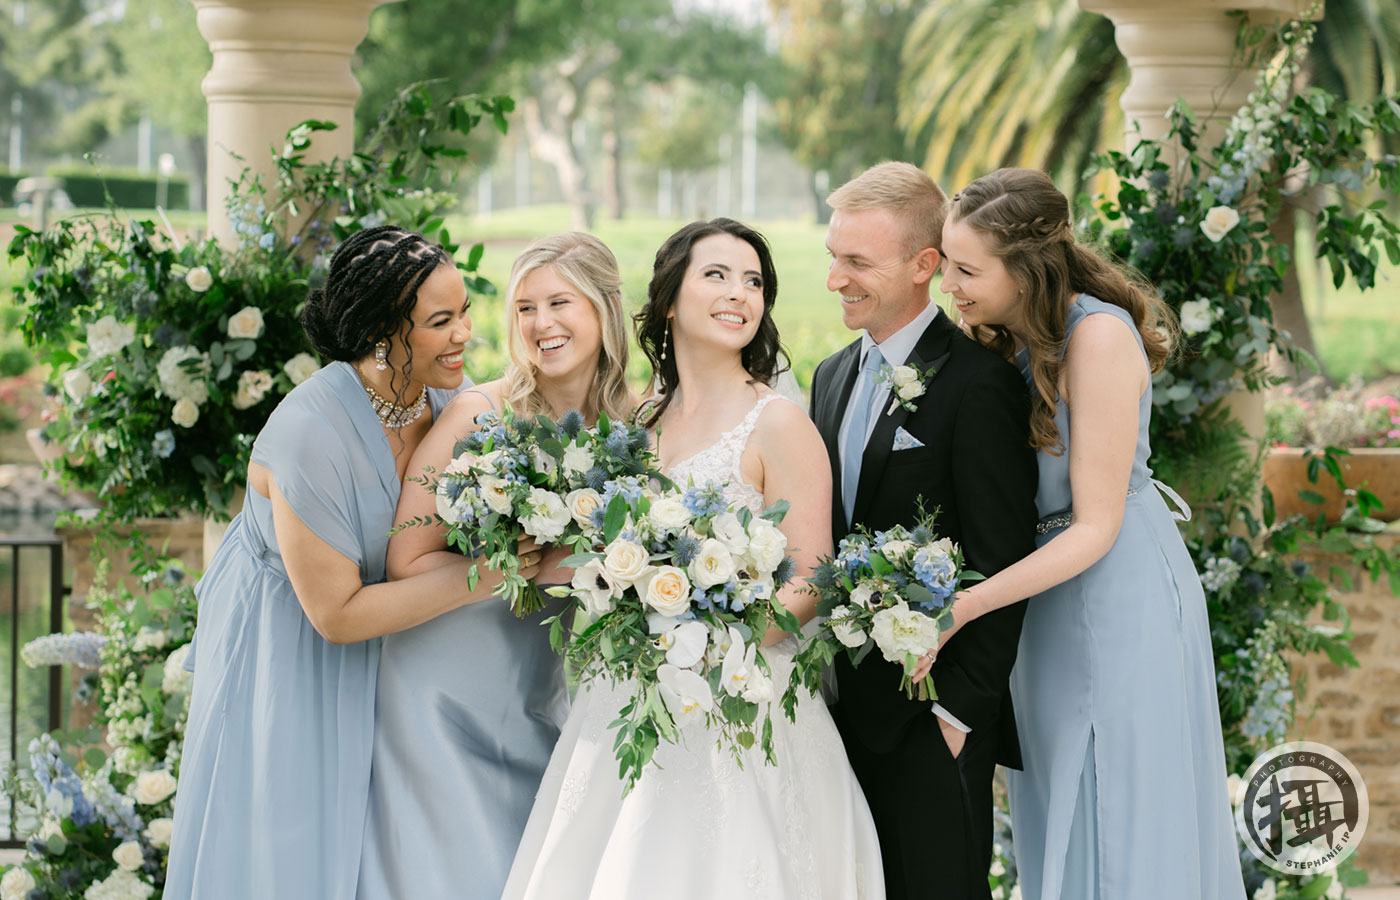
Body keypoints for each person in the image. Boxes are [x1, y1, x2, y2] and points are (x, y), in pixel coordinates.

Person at [503, 218, 884, 899]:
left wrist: (715, 643)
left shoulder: (777, 423)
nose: (740, 293)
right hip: (631, 697)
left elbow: (810, 579)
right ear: (670, 299)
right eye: (717, 275)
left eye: (754, 281)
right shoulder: (637, 422)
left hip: (739, 703)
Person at [167, 226, 543, 898]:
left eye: (464, 314)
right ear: (380, 334)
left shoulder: (443, 407)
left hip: (385, 648)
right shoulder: (309, 432)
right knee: (288, 840)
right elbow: (336, 614)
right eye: (440, 321)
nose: (464, 335)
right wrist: (485, 576)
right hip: (287, 651)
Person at [926, 167, 1245, 899]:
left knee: (1120, 801)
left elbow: (1096, 525)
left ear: (1029, 268)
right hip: (1047, 591)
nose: (951, 284)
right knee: (1057, 791)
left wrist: (968, 606)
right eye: (948, 262)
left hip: (1113, 588)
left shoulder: (1097, 336)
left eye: (967, 269)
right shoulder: (1008, 335)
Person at [357, 233, 635, 899]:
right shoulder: (477, 413)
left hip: (543, 686)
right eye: (524, 308)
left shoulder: (641, 420)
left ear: (603, 308)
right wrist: (513, 564)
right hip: (442, 684)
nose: (542, 324)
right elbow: (407, 556)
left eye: (559, 302)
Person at [809, 162, 1039, 900]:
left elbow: (1005, 558)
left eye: (857, 262)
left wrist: (957, 714)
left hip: (927, 713)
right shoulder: (830, 375)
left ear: (923, 266)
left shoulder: (979, 384)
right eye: (832, 256)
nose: (835, 279)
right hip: (835, 713)